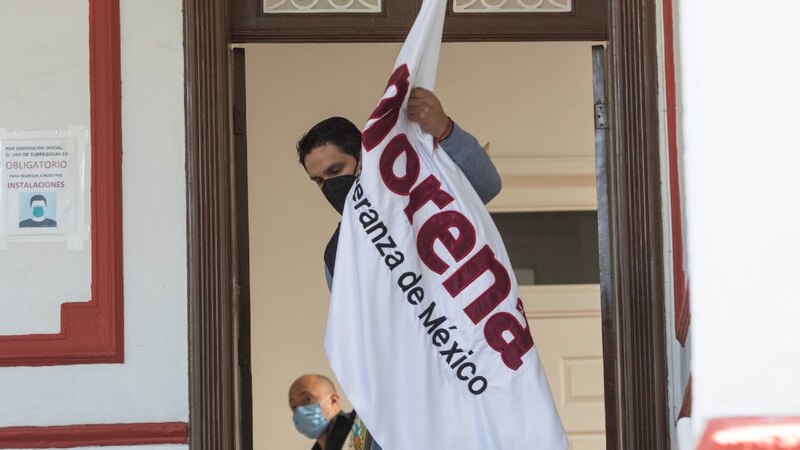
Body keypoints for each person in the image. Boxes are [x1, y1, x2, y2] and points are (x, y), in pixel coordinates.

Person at [297, 88, 502, 289]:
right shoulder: (337, 255)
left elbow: (486, 186)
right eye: (319, 181)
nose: (330, 187)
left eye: (335, 169)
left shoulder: (418, 195)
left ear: (363, 156)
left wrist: (444, 129)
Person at [289, 373, 373, 450]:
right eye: (294, 406)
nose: (300, 410)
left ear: (333, 401)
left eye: (308, 399)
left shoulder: (363, 425)